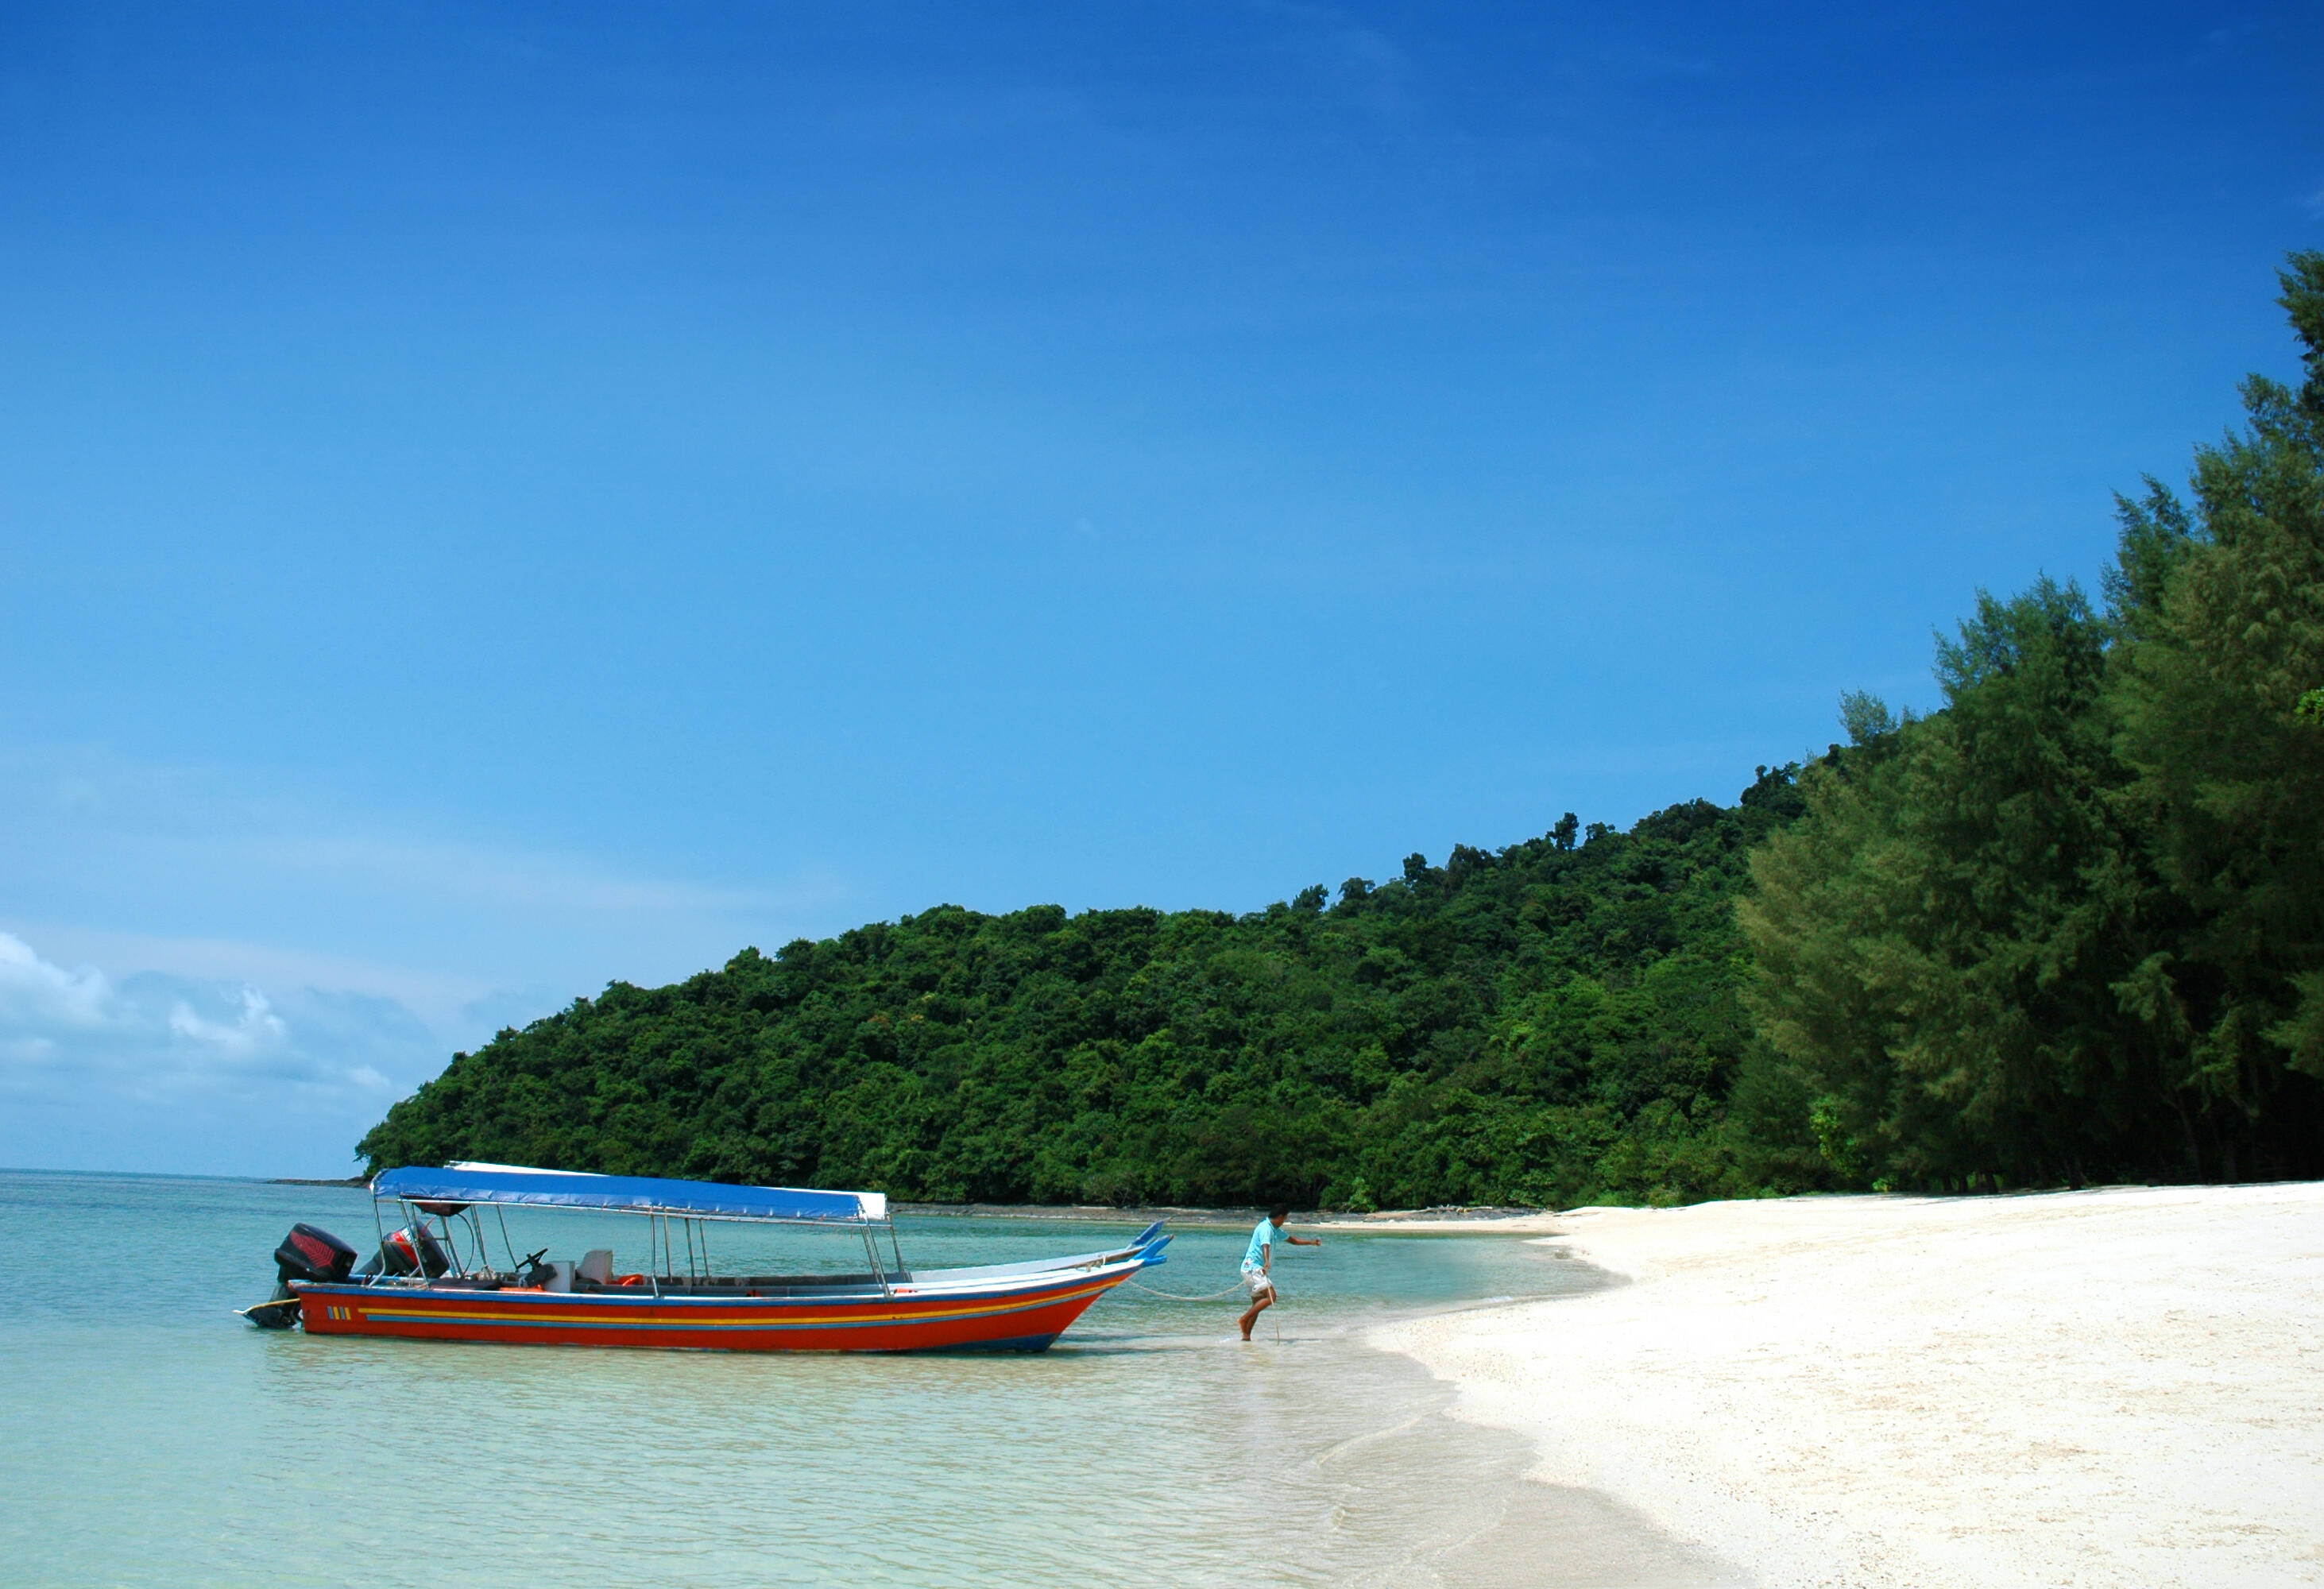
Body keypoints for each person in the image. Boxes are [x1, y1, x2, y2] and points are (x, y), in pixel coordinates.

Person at [1237, 1203, 1321, 1341]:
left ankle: (1246, 1337)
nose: (1284, 1222)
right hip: (1253, 1268)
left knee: (1258, 1303)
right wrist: (1266, 1262)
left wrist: (1311, 1242)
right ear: (1280, 1217)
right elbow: (1265, 1245)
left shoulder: (1274, 1229)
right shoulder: (1266, 1228)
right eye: (1285, 1219)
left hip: (1249, 1268)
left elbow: (1292, 1240)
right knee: (1271, 1297)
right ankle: (1243, 1319)